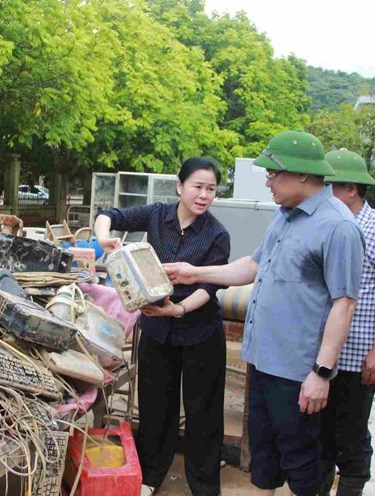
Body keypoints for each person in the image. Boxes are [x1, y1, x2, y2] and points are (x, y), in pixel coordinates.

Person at [165, 131, 364, 496]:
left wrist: (320, 372)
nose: (268, 181)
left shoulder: (338, 227)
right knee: (264, 460)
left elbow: (344, 303)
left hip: (297, 372)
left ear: (302, 175)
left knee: (302, 466)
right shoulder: (285, 216)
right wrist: (196, 273)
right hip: (262, 361)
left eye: (273, 173)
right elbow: (253, 265)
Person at [94, 157, 230, 496]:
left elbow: (209, 288)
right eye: (197, 186)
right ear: (179, 186)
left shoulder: (217, 234)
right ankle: (150, 477)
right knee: (156, 408)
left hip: (200, 332)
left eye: (210, 189)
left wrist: (178, 309)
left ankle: (204, 486)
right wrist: (104, 238)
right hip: (156, 331)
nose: (203, 195)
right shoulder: (156, 215)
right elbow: (110, 214)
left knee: (203, 414)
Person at [318, 149, 375, 496]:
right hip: (324, 355)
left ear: (351, 188)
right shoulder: (326, 225)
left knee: (351, 439)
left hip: (357, 358)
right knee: (320, 437)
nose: (324, 195)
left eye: (330, 187)